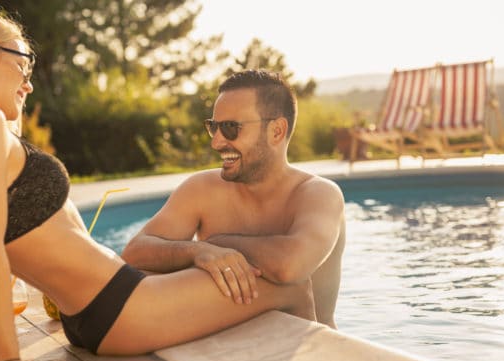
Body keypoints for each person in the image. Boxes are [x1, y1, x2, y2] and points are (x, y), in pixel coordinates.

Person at [0, 10, 314, 361]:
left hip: (96, 313)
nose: (28, 84)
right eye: (24, 63)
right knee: (295, 285)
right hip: (125, 309)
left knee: (229, 265)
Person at [122, 70, 346, 329]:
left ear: (276, 131)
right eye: (213, 127)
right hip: (228, 349)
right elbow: (134, 252)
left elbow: (291, 267)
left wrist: (219, 243)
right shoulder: (201, 189)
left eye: (230, 128)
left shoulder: (318, 194)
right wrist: (198, 251)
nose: (217, 142)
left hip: (309, 350)